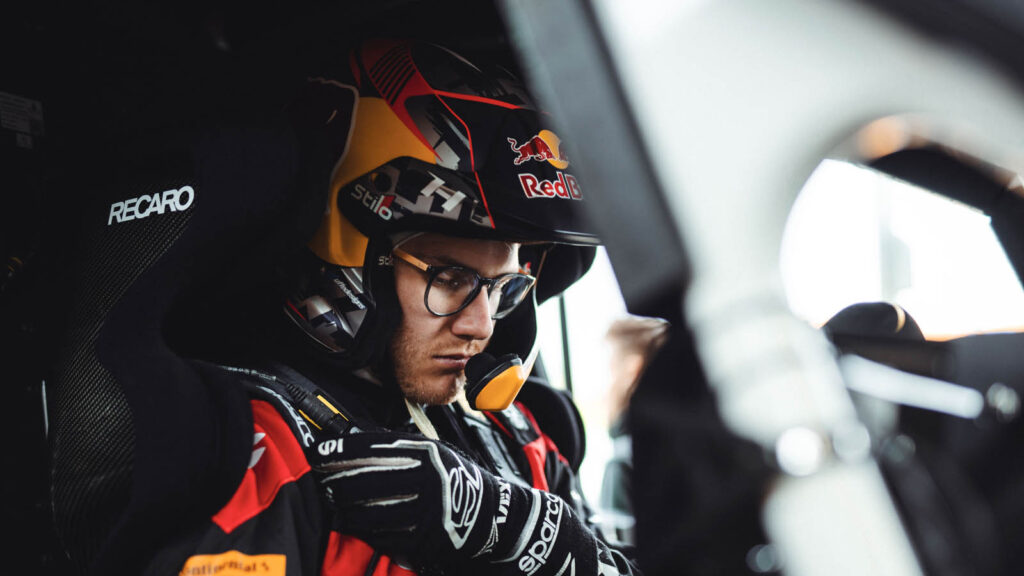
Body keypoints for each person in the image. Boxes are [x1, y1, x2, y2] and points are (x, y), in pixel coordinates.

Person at [143, 38, 642, 576]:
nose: (481, 326)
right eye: (450, 278)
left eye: (504, 287)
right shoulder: (257, 445)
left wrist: (536, 536)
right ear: (353, 256)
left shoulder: (515, 434)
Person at [599, 315, 669, 545]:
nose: (604, 391)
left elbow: (621, 558)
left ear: (632, 371)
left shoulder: (624, 464)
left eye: (611, 371)